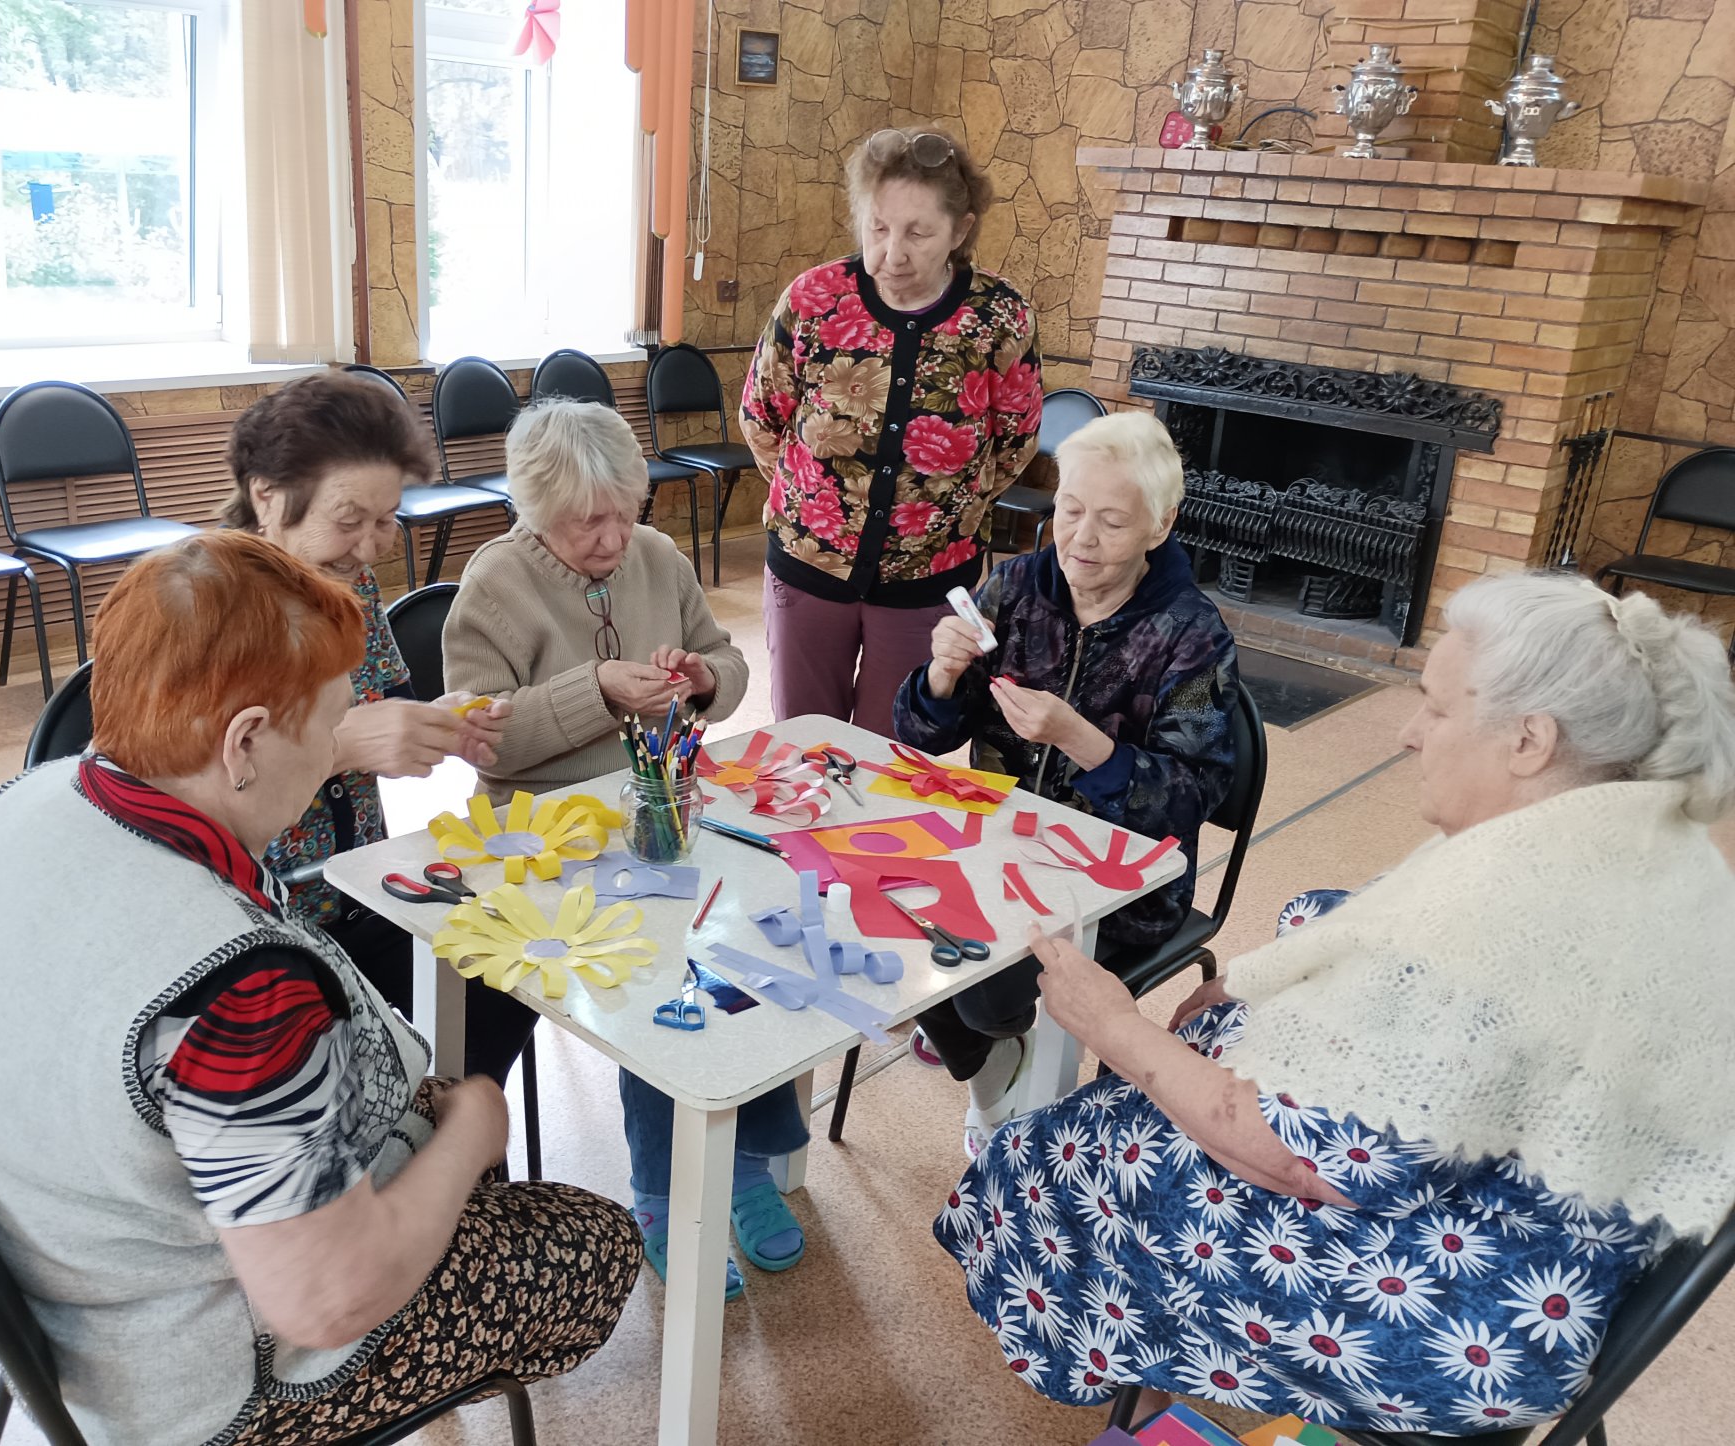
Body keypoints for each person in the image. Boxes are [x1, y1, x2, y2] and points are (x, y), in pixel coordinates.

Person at [936, 571, 1735, 1434]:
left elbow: (1307, 1160)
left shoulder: (1523, 918)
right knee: (1135, 1101)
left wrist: (1112, 1026)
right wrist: (1255, 983)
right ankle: (1151, 1372)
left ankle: (1136, 1374)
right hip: (1529, 1226)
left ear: (1529, 740)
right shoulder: (1628, 838)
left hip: (1469, 1312)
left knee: (1058, 1156)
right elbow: (1389, 953)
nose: (1407, 733)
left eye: (1434, 707)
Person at [0, 532, 641, 1446]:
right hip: (195, 1378)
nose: (338, 749)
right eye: (329, 726)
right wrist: (472, 1128)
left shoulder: (33, 798)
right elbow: (325, 1304)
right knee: (595, 1247)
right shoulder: (235, 991)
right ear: (244, 739)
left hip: (60, 1261)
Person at [442, 400, 799, 1301]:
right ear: (531, 509)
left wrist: (708, 678)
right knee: (659, 992)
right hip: (546, 849)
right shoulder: (493, 585)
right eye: (582, 522)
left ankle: (748, 1163)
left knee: (748, 945)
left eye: (624, 511)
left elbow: (729, 659)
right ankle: (662, 1194)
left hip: (665, 816)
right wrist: (595, 689)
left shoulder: (657, 556)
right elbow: (480, 739)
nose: (609, 538)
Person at [894, 411, 1237, 1159]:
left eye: (1111, 522)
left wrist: (1081, 740)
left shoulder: (1191, 632)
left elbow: (1191, 800)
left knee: (982, 985)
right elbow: (920, 739)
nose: (1081, 538)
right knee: (878, 919)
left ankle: (1012, 1094)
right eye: (1070, 511)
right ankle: (996, 1074)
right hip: (996, 850)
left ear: (1160, 524)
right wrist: (941, 678)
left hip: (1120, 888)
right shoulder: (1016, 587)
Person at [221, 370, 529, 1086]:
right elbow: (174, 793)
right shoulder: (206, 609)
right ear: (267, 496)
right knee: (411, 1066)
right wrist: (338, 748)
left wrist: (441, 722)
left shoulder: (346, 581)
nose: (371, 547)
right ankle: (429, 1136)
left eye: (387, 519)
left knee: (520, 961)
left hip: (359, 890)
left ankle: (443, 1126)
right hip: (261, 928)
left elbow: (383, 697)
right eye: (349, 519)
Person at [740, 126, 1044, 737]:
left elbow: (1016, 441)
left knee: (893, 760)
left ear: (959, 233)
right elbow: (762, 417)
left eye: (918, 233)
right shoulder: (814, 300)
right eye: (877, 228)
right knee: (803, 749)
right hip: (810, 568)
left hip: (928, 584)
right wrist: (821, 505)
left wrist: (942, 512)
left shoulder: (998, 317)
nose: (891, 254)